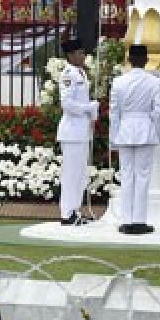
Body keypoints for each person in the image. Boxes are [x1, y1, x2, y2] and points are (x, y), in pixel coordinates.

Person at [108, 44, 160, 235]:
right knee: (142, 176)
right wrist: (156, 132)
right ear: (146, 60)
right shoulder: (154, 82)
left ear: (129, 60)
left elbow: (114, 113)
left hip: (125, 129)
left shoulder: (118, 82)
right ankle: (139, 220)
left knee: (127, 175)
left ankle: (127, 220)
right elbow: (158, 111)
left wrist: (113, 137)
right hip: (145, 128)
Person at [56, 39, 98, 226]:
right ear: (71, 55)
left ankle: (75, 210)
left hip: (81, 131)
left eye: (83, 52)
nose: (83, 56)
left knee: (80, 174)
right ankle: (67, 213)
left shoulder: (81, 73)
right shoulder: (68, 75)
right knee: (71, 174)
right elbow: (67, 104)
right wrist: (88, 108)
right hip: (72, 131)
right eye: (80, 53)